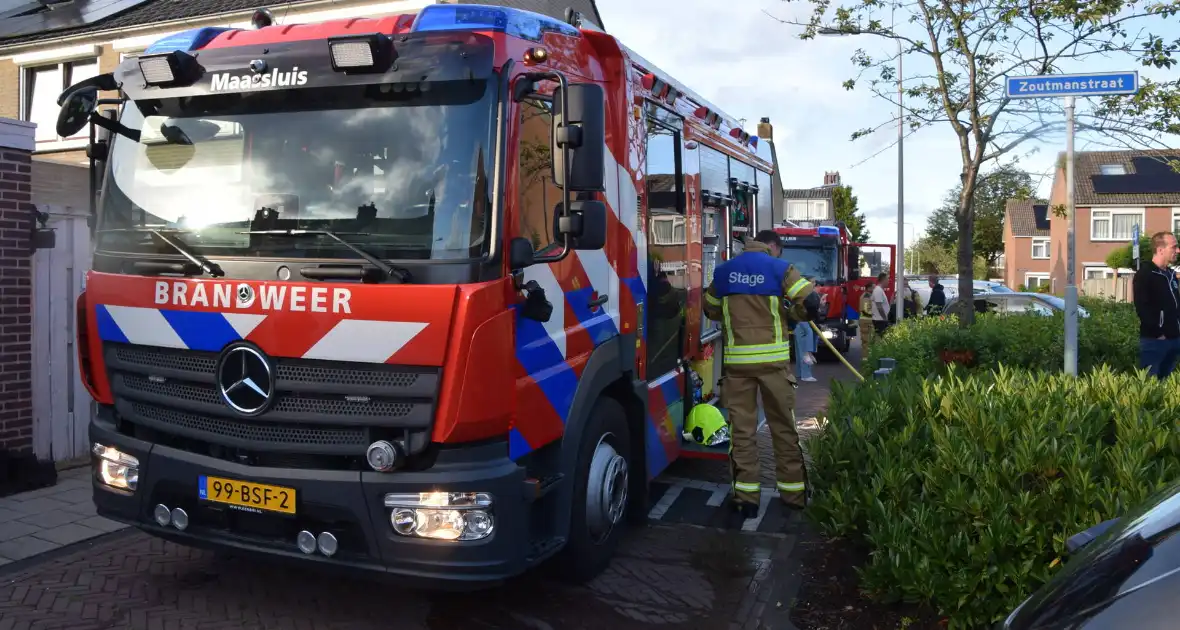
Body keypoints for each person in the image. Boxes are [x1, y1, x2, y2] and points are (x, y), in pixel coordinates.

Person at [703, 230, 820, 518]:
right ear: (772, 247)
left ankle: (746, 499)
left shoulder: (723, 272)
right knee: (783, 428)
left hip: (737, 367)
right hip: (774, 365)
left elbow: (710, 309)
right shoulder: (780, 269)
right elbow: (812, 302)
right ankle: (793, 496)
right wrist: (792, 316)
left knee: (742, 432)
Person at [1132, 231, 1180, 378]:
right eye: (1174, 247)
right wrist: (1158, 333)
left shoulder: (1171, 275)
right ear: (1160, 250)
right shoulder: (1146, 274)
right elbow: (1142, 306)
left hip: (1174, 339)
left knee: (1167, 386)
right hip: (1155, 341)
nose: (1178, 251)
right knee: (1150, 386)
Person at [858, 281, 876, 366]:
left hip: (866, 321)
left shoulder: (867, 296)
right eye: (873, 287)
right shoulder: (866, 296)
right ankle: (866, 361)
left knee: (868, 342)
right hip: (867, 322)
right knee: (866, 342)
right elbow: (865, 310)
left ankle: (867, 359)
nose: (875, 289)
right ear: (868, 288)